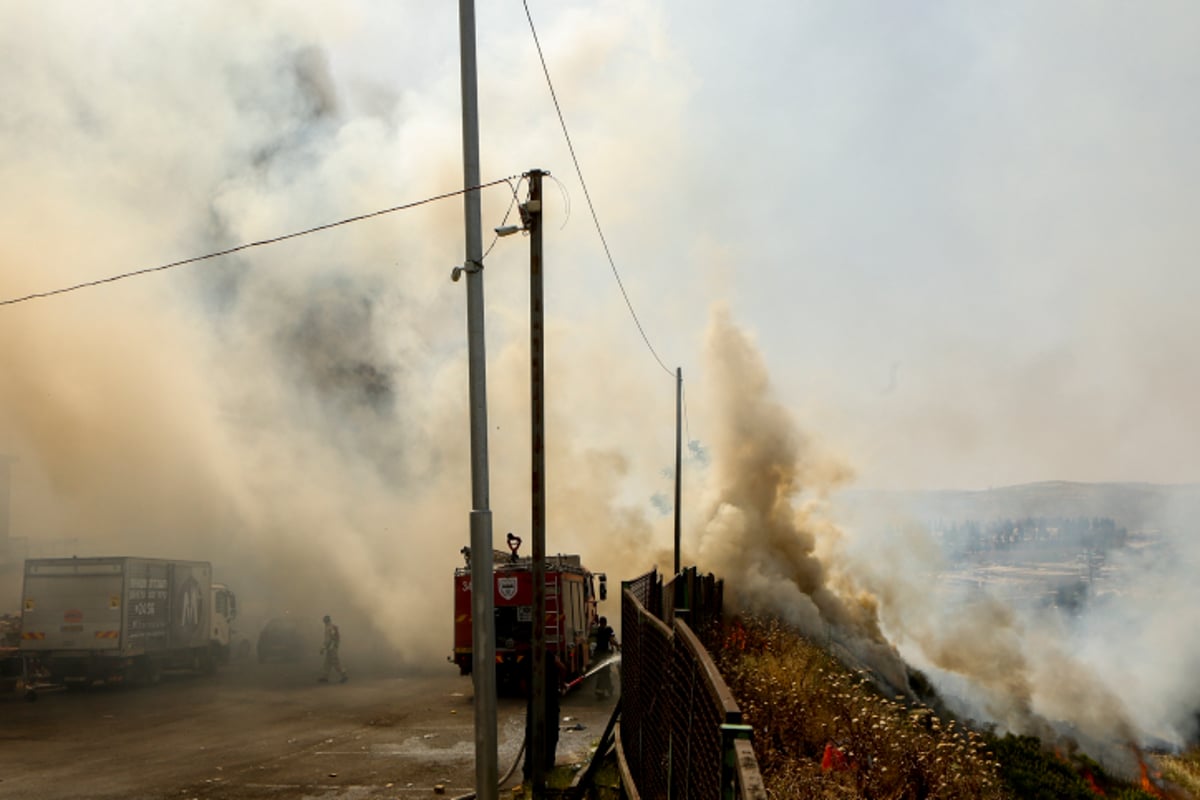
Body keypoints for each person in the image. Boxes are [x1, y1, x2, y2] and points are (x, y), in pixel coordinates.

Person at [318, 614, 348, 683]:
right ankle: (325, 677)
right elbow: (330, 639)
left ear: (326, 621)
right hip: (330, 648)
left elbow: (331, 639)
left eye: (324, 621)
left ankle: (344, 676)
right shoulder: (330, 627)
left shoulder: (330, 628)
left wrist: (323, 648)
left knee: (336, 663)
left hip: (332, 648)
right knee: (327, 663)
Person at [594, 616, 617, 699]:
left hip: (596, 654)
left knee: (601, 673)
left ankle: (602, 691)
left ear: (600, 622)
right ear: (605, 622)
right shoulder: (608, 629)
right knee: (606, 673)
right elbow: (612, 640)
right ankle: (606, 690)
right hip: (603, 654)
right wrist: (618, 646)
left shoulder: (596, 630)